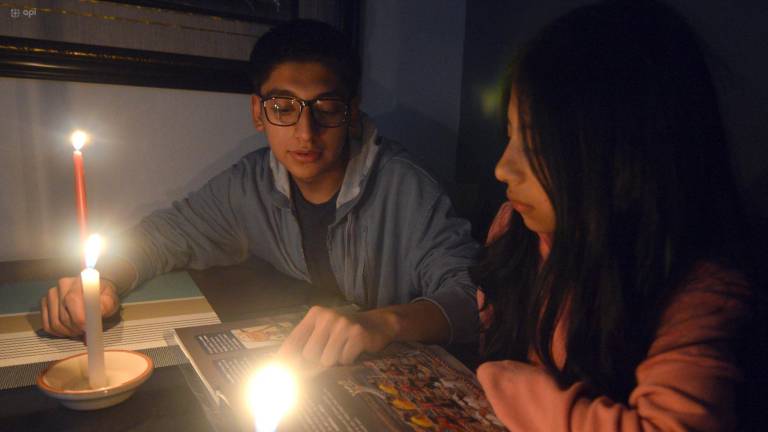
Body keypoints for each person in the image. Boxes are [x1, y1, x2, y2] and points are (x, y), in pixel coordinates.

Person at [40, 19, 480, 366]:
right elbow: (166, 235)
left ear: (351, 111)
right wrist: (104, 281)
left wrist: (384, 323)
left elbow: (473, 298)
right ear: (257, 112)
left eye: (326, 109)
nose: (305, 133)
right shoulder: (249, 185)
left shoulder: (406, 188)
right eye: (283, 108)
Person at [470, 1, 755, 430]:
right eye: (509, 135)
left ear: (625, 160)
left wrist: (516, 389)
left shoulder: (694, 291)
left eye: (537, 145)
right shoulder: (515, 232)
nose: (502, 168)